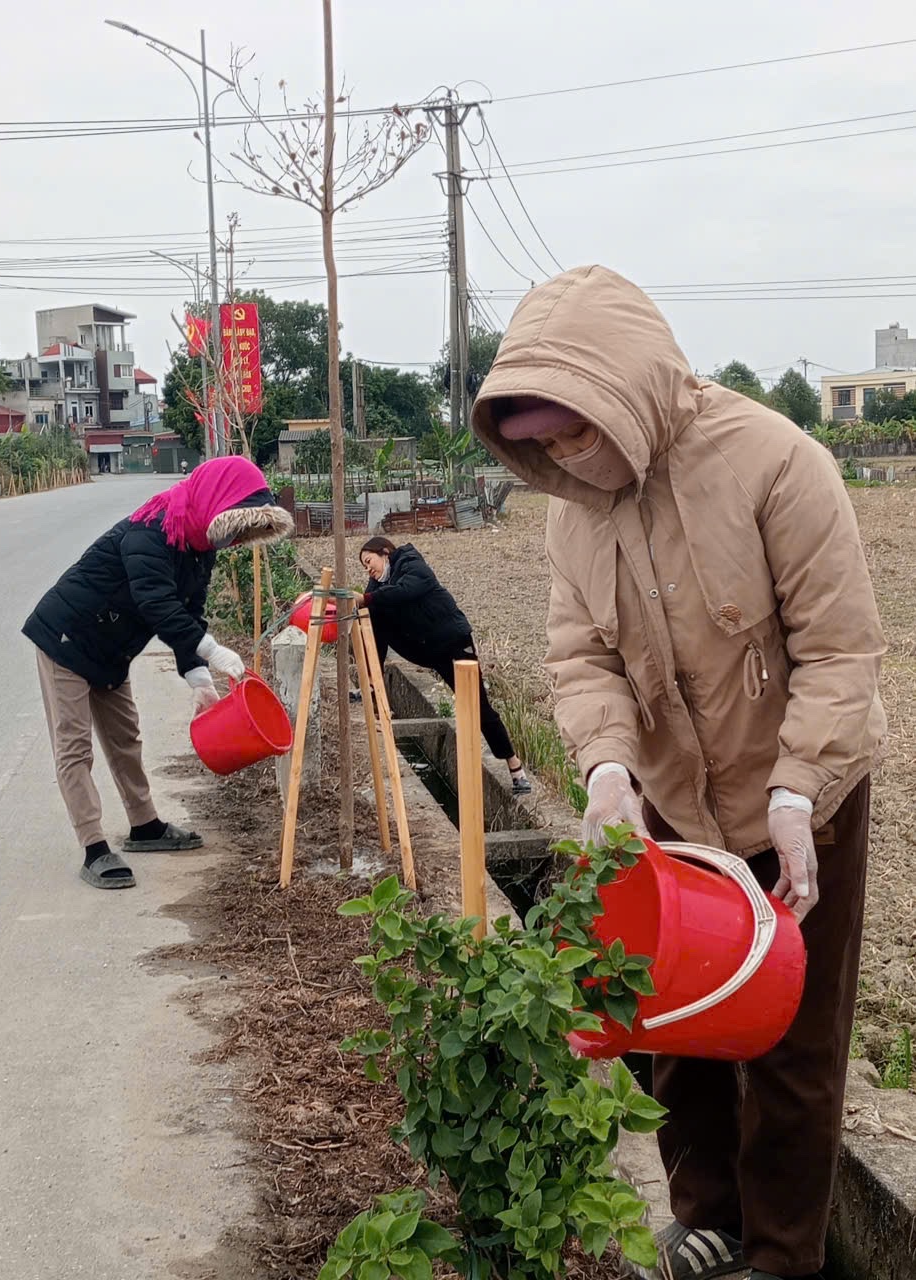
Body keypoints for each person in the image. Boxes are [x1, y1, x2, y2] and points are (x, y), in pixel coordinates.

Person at [470, 266, 885, 1280]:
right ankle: (705, 1215)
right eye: (542, 445)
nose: (563, 457)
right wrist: (608, 773)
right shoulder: (576, 512)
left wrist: (794, 791)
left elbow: (838, 650)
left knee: (793, 1033)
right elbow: (582, 658)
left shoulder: (777, 463)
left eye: (574, 433)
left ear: (626, 394)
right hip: (669, 796)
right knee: (670, 1014)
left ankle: (784, 1253)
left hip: (804, 791)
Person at [23, 456, 294, 891]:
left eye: (244, 535)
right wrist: (211, 651)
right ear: (217, 503)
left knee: (125, 739)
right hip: (66, 638)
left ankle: (144, 826)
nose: (239, 541)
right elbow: (157, 605)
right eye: (238, 529)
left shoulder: (199, 548)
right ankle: (94, 847)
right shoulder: (150, 532)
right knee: (75, 747)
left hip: (111, 649)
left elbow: (190, 613)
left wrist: (200, 680)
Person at [355, 536, 531, 795]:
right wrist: (373, 674)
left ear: (385, 553)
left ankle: (515, 769)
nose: (368, 569)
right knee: (376, 614)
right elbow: (377, 629)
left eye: (369, 561)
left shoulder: (412, 564)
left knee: (477, 706)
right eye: (364, 566)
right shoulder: (379, 585)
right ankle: (372, 682)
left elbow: (406, 591)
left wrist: (368, 599)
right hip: (427, 648)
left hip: (453, 642)